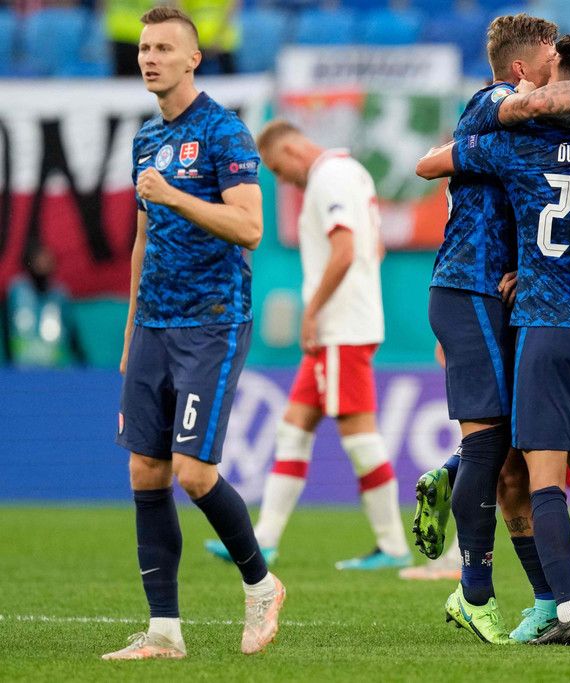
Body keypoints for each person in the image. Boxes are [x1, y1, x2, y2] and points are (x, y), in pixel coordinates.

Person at [411, 14, 570, 644]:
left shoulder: (517, 145)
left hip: (546, 322)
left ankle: (568, 612)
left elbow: (428, 164)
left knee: (542, 472)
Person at [103, 7, 282, 660]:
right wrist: (130, 336)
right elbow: (142, 242)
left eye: (163, 48)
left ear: (193, 59)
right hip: (153, 324)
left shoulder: (224, 131)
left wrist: (176, 195)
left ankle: (261, 585)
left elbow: (250, 228)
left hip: (211, 321)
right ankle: (164, 632)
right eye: (144, 48)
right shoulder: (146, 139)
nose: (149, 58)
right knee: (145, 470)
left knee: (194, 472)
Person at [203, 120, 412, 571]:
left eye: (279, 170)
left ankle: (393, 544)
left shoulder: (328, 177)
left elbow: (345, 250)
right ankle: (263, 541)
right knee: (293, 429)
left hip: (340, 329)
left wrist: (313, 310)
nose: (283, 180)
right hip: (345, 324)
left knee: (360, 436)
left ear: (293, 150)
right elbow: (374, 248)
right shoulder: (352, 171)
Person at [3, 246, 85, 368]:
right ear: (30, 262)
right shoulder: (16, 291)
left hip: (53, 366)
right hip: (22, 365)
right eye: (39, 261)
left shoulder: (60, 294)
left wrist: (82, 361)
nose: (43, 265)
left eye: (47, 261)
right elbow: (6, 328)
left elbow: (72, 332)